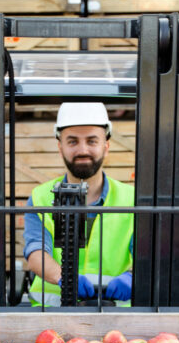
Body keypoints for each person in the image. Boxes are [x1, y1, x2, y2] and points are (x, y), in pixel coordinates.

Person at [23, 102, 135, 306]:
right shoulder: (40, 197)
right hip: (50, 316)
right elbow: (36, 252)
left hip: (117, 317)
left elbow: (149, 255)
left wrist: (136, 277)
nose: (83, 150)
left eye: (92, 141)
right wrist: (63, 278)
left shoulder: (132, 200)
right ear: (60, 147)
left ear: (106, 147)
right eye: (73, 142)